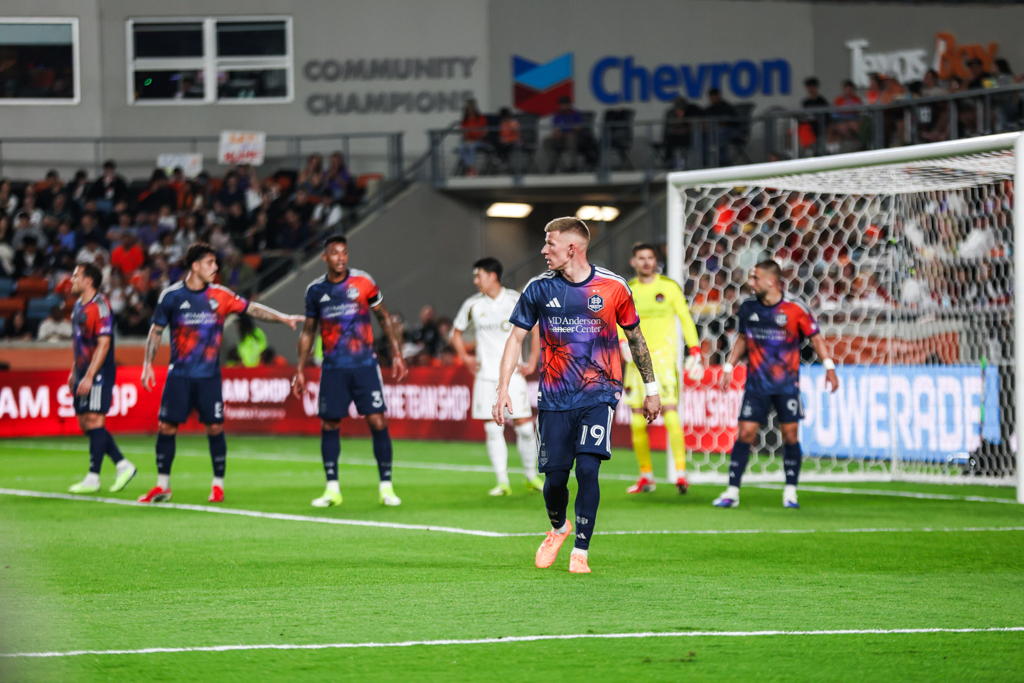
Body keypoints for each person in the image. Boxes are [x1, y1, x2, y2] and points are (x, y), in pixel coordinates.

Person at [494, 217, 661, 574]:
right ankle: (559, 528)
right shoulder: (539, 288)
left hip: (599, 393)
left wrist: (652, 389)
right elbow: (516, 338)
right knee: (554, 479)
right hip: (554, 398)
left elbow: (635, 338)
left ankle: (580, 550)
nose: (543, 250)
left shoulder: (613, 287)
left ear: (571, 248)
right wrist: (502, 388)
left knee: (587, 468)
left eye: (549, 243)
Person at [138, 242, 303, 504]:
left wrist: (283, 317)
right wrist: (148, 363)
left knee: (214, 426)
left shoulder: (221, 295)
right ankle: (162, 486)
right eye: (210, 263)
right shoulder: (171, 296)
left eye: (216, 262)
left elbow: (252, 309)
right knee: (166, 426)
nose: (216, 267)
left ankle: (218, 486)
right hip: (179, 375)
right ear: (195, 266)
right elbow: (156, 331)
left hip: (209, 376)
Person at [292, 234, 409, 508]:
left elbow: (383, 317)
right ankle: (332, 489)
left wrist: (397, 353)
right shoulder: (315, 290)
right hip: (333, 368)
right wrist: (300, 369)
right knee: (330, 423)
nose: (341, 258)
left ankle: (386, 487)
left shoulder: (363, 281)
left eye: (344, 253)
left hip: (365, 365)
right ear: (325, 257)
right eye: (335, 253)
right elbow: (308, 332)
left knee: (377, 421)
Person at [714, 260, 839, 509]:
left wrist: (830, 368)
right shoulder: (748, 307)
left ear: (771, 281)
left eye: (755, 278)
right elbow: (742, 338)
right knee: (745, 433)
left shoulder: (795, 308)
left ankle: (790, 492)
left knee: (790, 435)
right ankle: (732, 491)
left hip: (787, 385)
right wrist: (729, 367)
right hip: (757, 383)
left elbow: (815, 339)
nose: (751, 283)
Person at [452, 257, 543, 495]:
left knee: (525, 428)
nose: (475, 281)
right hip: (486, 376)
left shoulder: (515, 299)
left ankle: (531, 476)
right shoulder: (473, 304)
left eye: (478, 276)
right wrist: (465, 357)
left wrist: (533, 360)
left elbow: (536, 330)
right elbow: (456, 333)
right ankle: (502, 482)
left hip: (513, 375)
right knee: (493, 430)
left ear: (492, 276)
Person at [619, 243, 703, 495]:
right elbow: (618, 321)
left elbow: (685, 318)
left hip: (664, 362)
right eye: (641, 258)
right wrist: (622, 343)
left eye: (650, 258)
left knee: (671, 415)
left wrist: (695, 349)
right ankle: (646, 476)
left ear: (656, 261)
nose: (646, 262)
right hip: (636, 361)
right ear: (633, 262)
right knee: (637, 422)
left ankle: (681, 473)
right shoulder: (627, 290)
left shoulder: (669, 287)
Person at [66, 263, 137, 494]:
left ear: (89, 280)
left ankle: (93, 478)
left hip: (98, 374)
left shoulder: (101, 305)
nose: (71, 280)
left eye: (76, 276)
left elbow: (103, 344)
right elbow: (80, 343)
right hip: (82, 372)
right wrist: (74, 371)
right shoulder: (77, 306)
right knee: (85, 424)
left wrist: (89, 376)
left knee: (95, 421)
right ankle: (123, 464)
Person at [543, 97, 583, 173]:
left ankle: (574, 165)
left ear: (569, 104)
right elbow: (555, 128)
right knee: (546, 141)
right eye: (561, 104)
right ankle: (555, 164)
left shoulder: (575, 113)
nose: (563, 106)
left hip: (573, 138)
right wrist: (556, 133)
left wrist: (566, 134)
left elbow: (578, 129)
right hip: (560, 139)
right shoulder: (557, 115)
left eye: (565, 104)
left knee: (571, 137)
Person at [457, 99, 489, 176]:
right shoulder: (465, 121)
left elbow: (485, 132)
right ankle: (472, 168)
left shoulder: (481, 118)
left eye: (471, 110)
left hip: (481, 141)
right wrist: (468, 140)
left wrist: (475, 139)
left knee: (471, 147)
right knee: (461, 147)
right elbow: (465, 134)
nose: (470, 112)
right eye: (468, 110)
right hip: (469, 141)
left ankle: (471, 169)